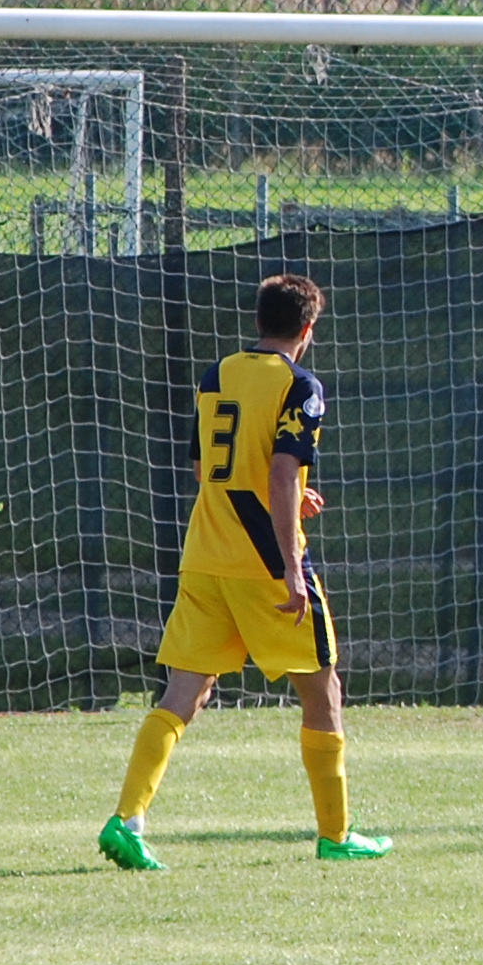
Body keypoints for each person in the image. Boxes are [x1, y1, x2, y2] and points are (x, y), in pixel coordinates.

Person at [100, 272, 390, 868]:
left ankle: (127, 820)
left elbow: (209, 468)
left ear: (259, 321)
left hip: (206, 557)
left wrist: (290, 496)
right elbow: (280, 474)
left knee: (184, 691)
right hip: (264, 565)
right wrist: (291, 565)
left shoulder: (219, 374)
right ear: (308, 329)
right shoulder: (300, 386)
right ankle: (336, 836)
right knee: (324, 691)